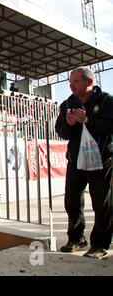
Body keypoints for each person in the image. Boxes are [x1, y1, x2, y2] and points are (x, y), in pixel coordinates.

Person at [55, 66, 113, 260]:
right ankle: (76, 239)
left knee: (101, 204)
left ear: (89, 82)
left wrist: (88, 120)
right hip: (76, 161)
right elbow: (61, 131)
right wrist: (70, 125)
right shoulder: (67, 104)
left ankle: (100, 244)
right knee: (71, 202)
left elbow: (109, 127)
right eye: (70, 82)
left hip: (101, 161)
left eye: (75, 81)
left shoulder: (106, 101)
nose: (71, 85)